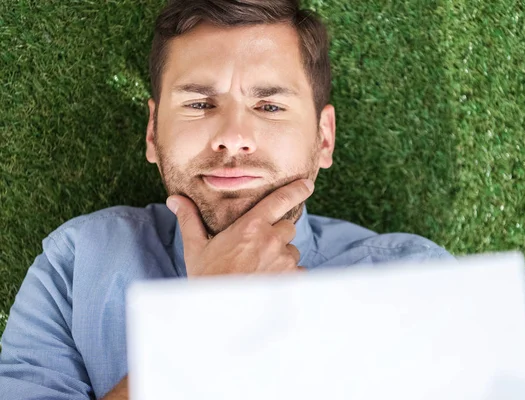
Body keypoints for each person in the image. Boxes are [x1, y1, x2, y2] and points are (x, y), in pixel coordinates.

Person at [0, 0, 453, 398]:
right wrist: (204, 326)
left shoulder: (417, 283)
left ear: (324, 139)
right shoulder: (75, 267)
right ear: (153, 132)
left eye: (270, 106)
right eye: (199, 104)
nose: (234, 139)